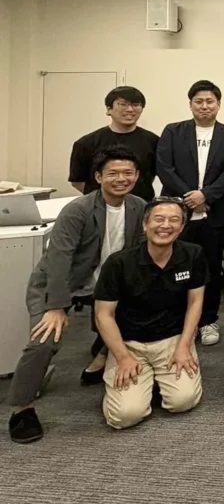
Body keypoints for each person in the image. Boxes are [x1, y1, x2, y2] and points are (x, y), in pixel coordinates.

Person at [7, 148, 145, 444]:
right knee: (44, 340)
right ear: (98, 177)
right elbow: (59, 259)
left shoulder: (138, 207)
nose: (121, 179)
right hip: (60, 282)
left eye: (128, 173)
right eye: (113, 173)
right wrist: (56, 306)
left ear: (137, 176)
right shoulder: (78, 209)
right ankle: (22, 409)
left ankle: (102, 354)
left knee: (136, 317)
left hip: (108, 284)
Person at [93, 197, 207, 430]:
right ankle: (135, 381)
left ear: (181, 227)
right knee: (124, 416)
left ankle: (154, 381)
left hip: (172, 340)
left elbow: (195, 302)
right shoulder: (119, 263)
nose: (166, 225)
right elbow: (103, 315)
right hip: (130, 344)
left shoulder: (193, 254)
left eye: (174, 220)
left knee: (182, 401)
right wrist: (122, 357)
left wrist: (185, 345)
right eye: (159, 219)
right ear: (145, 225)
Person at [156, 79, 224, 347]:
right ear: (191, 104)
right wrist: (191, 197)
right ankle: (180, 321)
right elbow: (164, 167)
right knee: (177, 266)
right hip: (177, 214)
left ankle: (208, 320)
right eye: (199, 101)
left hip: (214, 214)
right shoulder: (173, 131)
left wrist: (206, 195)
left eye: (209, 101)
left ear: (218, 104)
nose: (204, 106)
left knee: (212, 267)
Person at [69, 86, 159, 201]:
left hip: (142, 205)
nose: (130, 109)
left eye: (136, 105)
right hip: (99, 206)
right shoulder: (86, 143)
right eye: (123, 104)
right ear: (109, 109)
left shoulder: (154, 141)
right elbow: (77, 181)